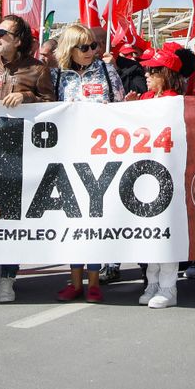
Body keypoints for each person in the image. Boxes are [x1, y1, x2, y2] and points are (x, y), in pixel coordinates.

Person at [0, 14, 54, 302]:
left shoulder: (37, 70)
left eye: (3, 33)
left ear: (18, 41)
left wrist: (27, 98)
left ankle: (7, 278)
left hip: (20, 153)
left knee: (9, 218)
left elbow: (52, 105)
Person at [53, 22, 122, 302]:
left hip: (100, 155)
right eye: (85, 47)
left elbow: (120, 106)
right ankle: (74, 280)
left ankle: (94, 280)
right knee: (72, 219)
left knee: (94, 219)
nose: (92, 51)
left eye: (93, 45)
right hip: (68, 156)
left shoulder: (106, 71)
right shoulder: (58, 76)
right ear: (70, 49)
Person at [133, 44, 189, 308]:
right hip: (144, 174)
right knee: (148, 233)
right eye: (146, 69)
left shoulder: (175, 100)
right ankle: (152, 282)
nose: (146, 74)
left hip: (169, 174)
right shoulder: (145, 100)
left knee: (166, 232)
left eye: (153, 70)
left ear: (166, 74)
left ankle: (169, 287)